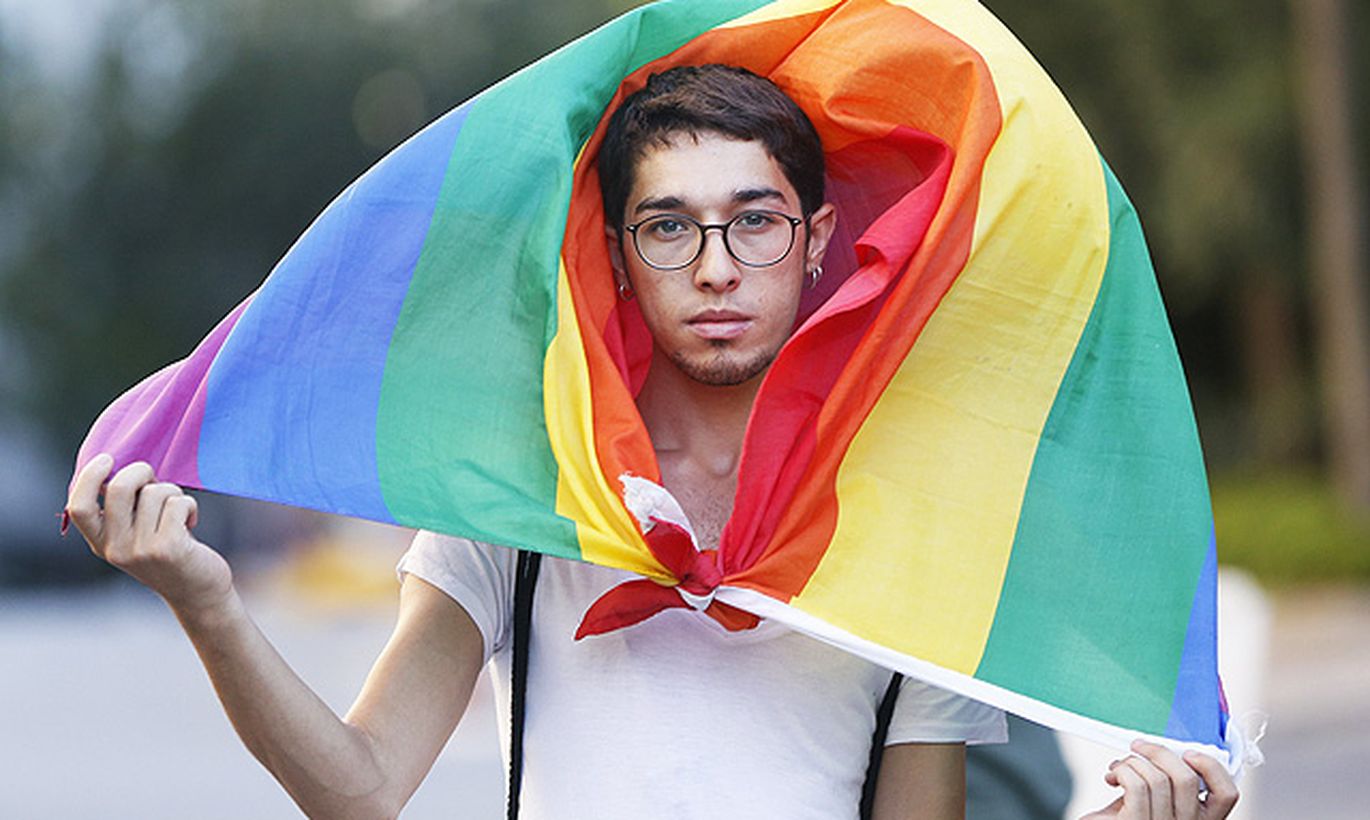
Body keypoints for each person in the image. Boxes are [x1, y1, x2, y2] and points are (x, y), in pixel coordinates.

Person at [67, 65, 1239, 819]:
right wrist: (207, 602)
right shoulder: (523, 496)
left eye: (754, 221)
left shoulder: (895, 522)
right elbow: (360, 789)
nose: (716, 265)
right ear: (617, 254)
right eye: (668, 226)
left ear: (818, 239)